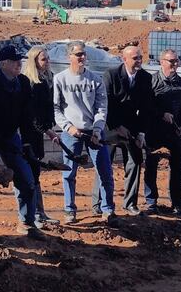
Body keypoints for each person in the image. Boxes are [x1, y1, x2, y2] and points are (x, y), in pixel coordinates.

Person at [0, 45, 44, 241]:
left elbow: (26, 115)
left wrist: (27, 144)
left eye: (19, 61)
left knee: (26, 177)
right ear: (3, 63)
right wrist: (5, 145)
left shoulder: (22, 83)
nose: (18, 64)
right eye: (14, 61)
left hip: (11, 135)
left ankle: (26, 222)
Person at [53, 41, 115, 225]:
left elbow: (101, 107)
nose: (81, 57)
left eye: (83, 54)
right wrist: (68, 127)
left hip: (93, 132)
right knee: (69, 173)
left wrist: (97, 129)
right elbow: (56, 108)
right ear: (69, 57)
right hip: (72, 132)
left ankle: (108, 208)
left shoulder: (95, 79)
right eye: (77, 54)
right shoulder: (60, 79)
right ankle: (69, 209)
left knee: (104, 170)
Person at [94, 45, 153, 216]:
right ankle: (98, 203)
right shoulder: (111, 75)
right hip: (110, 126)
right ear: (124, 59)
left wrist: (141, 132)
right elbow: (105, 103)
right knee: (104, 164)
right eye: (135, 58)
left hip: (132, 128)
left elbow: (146, 108)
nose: (139, 61)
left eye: (140, 58)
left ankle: (130, 203)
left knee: (135, 162)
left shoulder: (145, 78)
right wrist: (116, 126)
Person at [145, 49, 181, 216]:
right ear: (162, 62)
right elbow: (146, 106)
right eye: (171, 61)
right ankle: (151, 202)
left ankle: (177, 203)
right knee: (151, 166)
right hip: (154, 131)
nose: (174, 64)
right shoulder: (151, 81)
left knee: (178, 167)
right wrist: (161, 114)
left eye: (177, 61)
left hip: (174, 132)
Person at [21, 46, 61, 227]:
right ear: (34, 61)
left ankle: (39, 213)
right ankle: (33, 215)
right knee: (31, 174)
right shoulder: (30, 83)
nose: (47, 62)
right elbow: (32, 114)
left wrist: (48, 128)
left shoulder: (45, 80)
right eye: (43, 59)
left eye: (47, 59)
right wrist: (48, 130)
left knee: (35, 173)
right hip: (29, 136)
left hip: (38, 133)